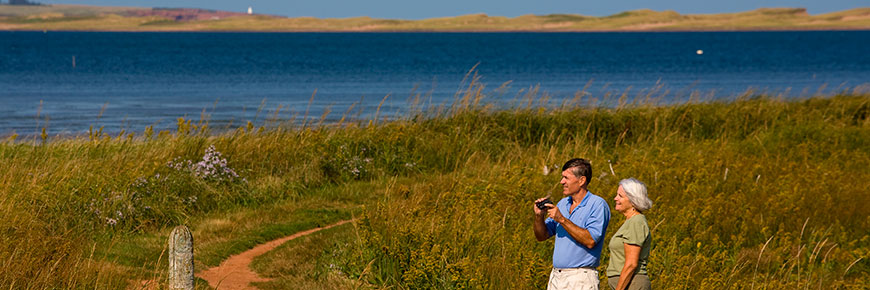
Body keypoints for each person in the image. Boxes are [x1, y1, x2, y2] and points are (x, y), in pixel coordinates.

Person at [534, 158, 612, 290]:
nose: (561, 182)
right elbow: (541, 236)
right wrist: (538, 217)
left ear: (581, 180)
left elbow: (590, 240)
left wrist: (562, 219)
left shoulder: (597, 205)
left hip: (581, 277)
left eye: (566, 178)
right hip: (556, 276)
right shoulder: (563, 203)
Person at [606, 178, 653, 290]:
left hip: (632, 284)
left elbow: (631, 264)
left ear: (633, 200)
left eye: (620, 196)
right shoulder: (630, 222)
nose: (615, 198)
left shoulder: (636, 222)